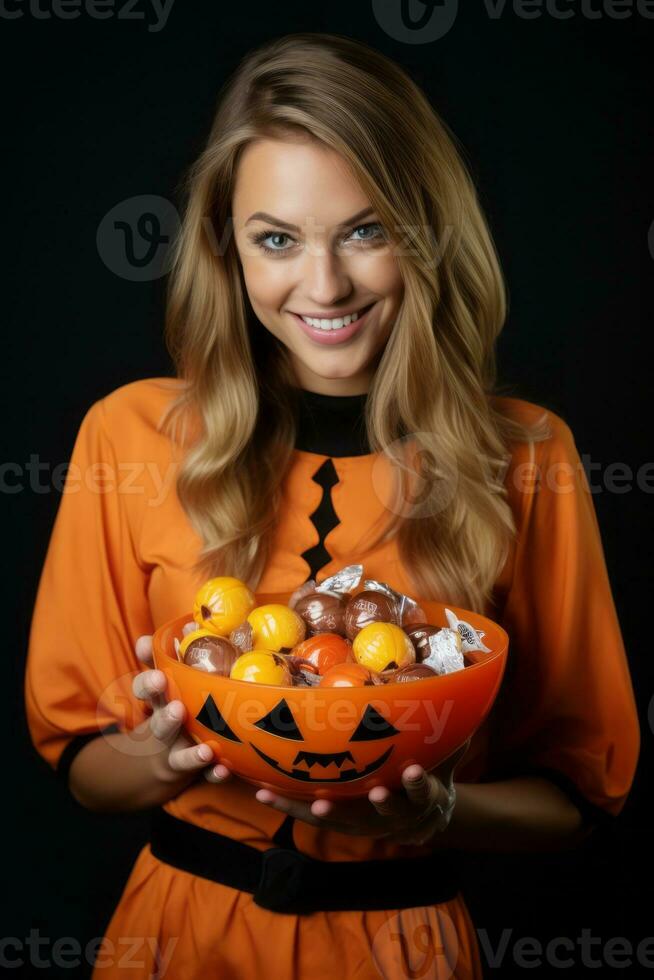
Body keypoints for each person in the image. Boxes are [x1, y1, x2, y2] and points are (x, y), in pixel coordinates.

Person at [24, 32, 639, 980]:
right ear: (227, 251)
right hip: (178, 940)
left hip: (403, 946)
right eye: (277, 239)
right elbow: (80, 765)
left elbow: (578, 797)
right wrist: (158, 754)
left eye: (365, 230)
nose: (324, 287)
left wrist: (440, 811)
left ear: (425, 234)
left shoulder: (526, 455)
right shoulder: (130, 434)